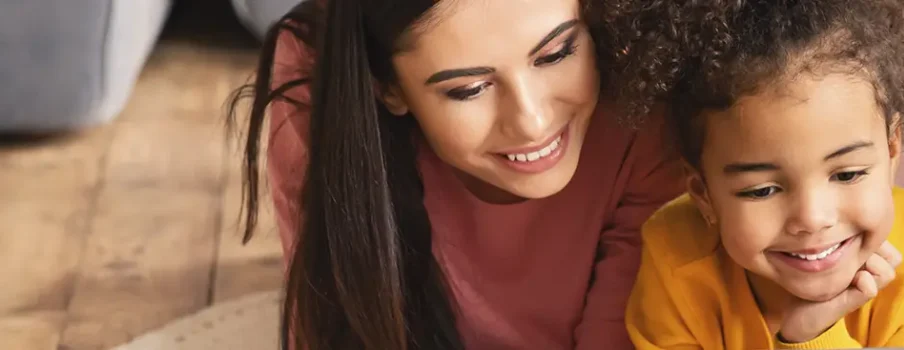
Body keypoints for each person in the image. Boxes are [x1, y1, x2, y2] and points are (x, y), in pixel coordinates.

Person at [229, 0, 686, 348]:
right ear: (386, 88)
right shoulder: (319, 83)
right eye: (468, 89)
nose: (532, 121)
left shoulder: (649, 95)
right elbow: (328, 323)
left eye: (556, 54)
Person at [607, 0, 904, 348]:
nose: (812, 218)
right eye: (762, 191)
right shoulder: (674, 255)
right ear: (703, 193)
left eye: (847, 175)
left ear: (891, 151)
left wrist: (813, 338)